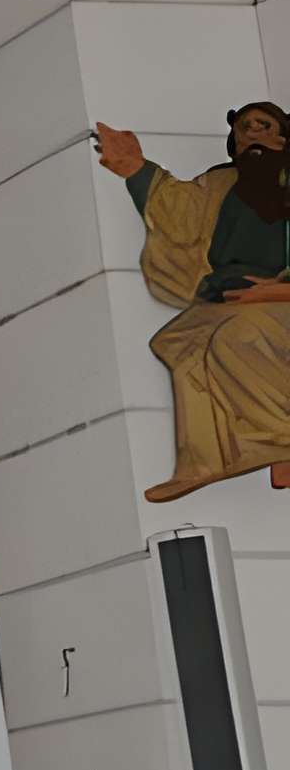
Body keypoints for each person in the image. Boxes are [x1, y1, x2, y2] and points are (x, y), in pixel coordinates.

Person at [95, 105, 290, 501]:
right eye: (243, 128)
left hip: (279, 296)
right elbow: (178, 211)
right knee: (178, 344)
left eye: (263, 126)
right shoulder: (221, 184)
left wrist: (271, 292)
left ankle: (281, 440)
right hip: (227, 295)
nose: (252, 133)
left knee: (238, 337)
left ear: (282, 138)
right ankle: (202, 462)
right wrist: (134, 166)